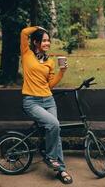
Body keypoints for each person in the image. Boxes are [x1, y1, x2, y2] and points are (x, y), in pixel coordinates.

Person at [20, 26, 73, 185]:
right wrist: (38, 28)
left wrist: (62, 72)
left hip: (48, 100)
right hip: (31, 101)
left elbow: (49, 85)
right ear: (35, 42)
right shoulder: (26, 53)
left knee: (55, 130)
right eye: (44, 40)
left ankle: (61, 169)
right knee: (54, 124)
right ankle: (50, 157)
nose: (47, 43)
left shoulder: (49, 61)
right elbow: (24, 33)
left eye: (48, 40)